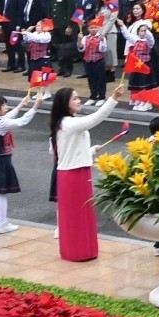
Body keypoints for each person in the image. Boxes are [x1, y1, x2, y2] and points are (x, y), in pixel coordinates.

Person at [51, 85, 125, 261]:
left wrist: (90, 150)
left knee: (84, 214)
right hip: (73, 175)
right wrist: (114, 98)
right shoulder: (68, 123)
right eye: (75, 98)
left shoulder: (68, 122)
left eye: (78, 97)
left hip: (79, 171)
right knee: (77, 216)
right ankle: (77, 252)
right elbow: (97, 117)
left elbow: (68, 149)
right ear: (65, 103)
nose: (79, 101)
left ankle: (85, 250)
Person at [0, 91, 44, 234]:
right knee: (1, 193)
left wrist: (21, 105)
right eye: (3, 105)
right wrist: (35, 107)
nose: (6, 107)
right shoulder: (1, 123)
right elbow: (21, 121)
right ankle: (2, 224)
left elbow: (8, 116)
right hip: (2, 160)